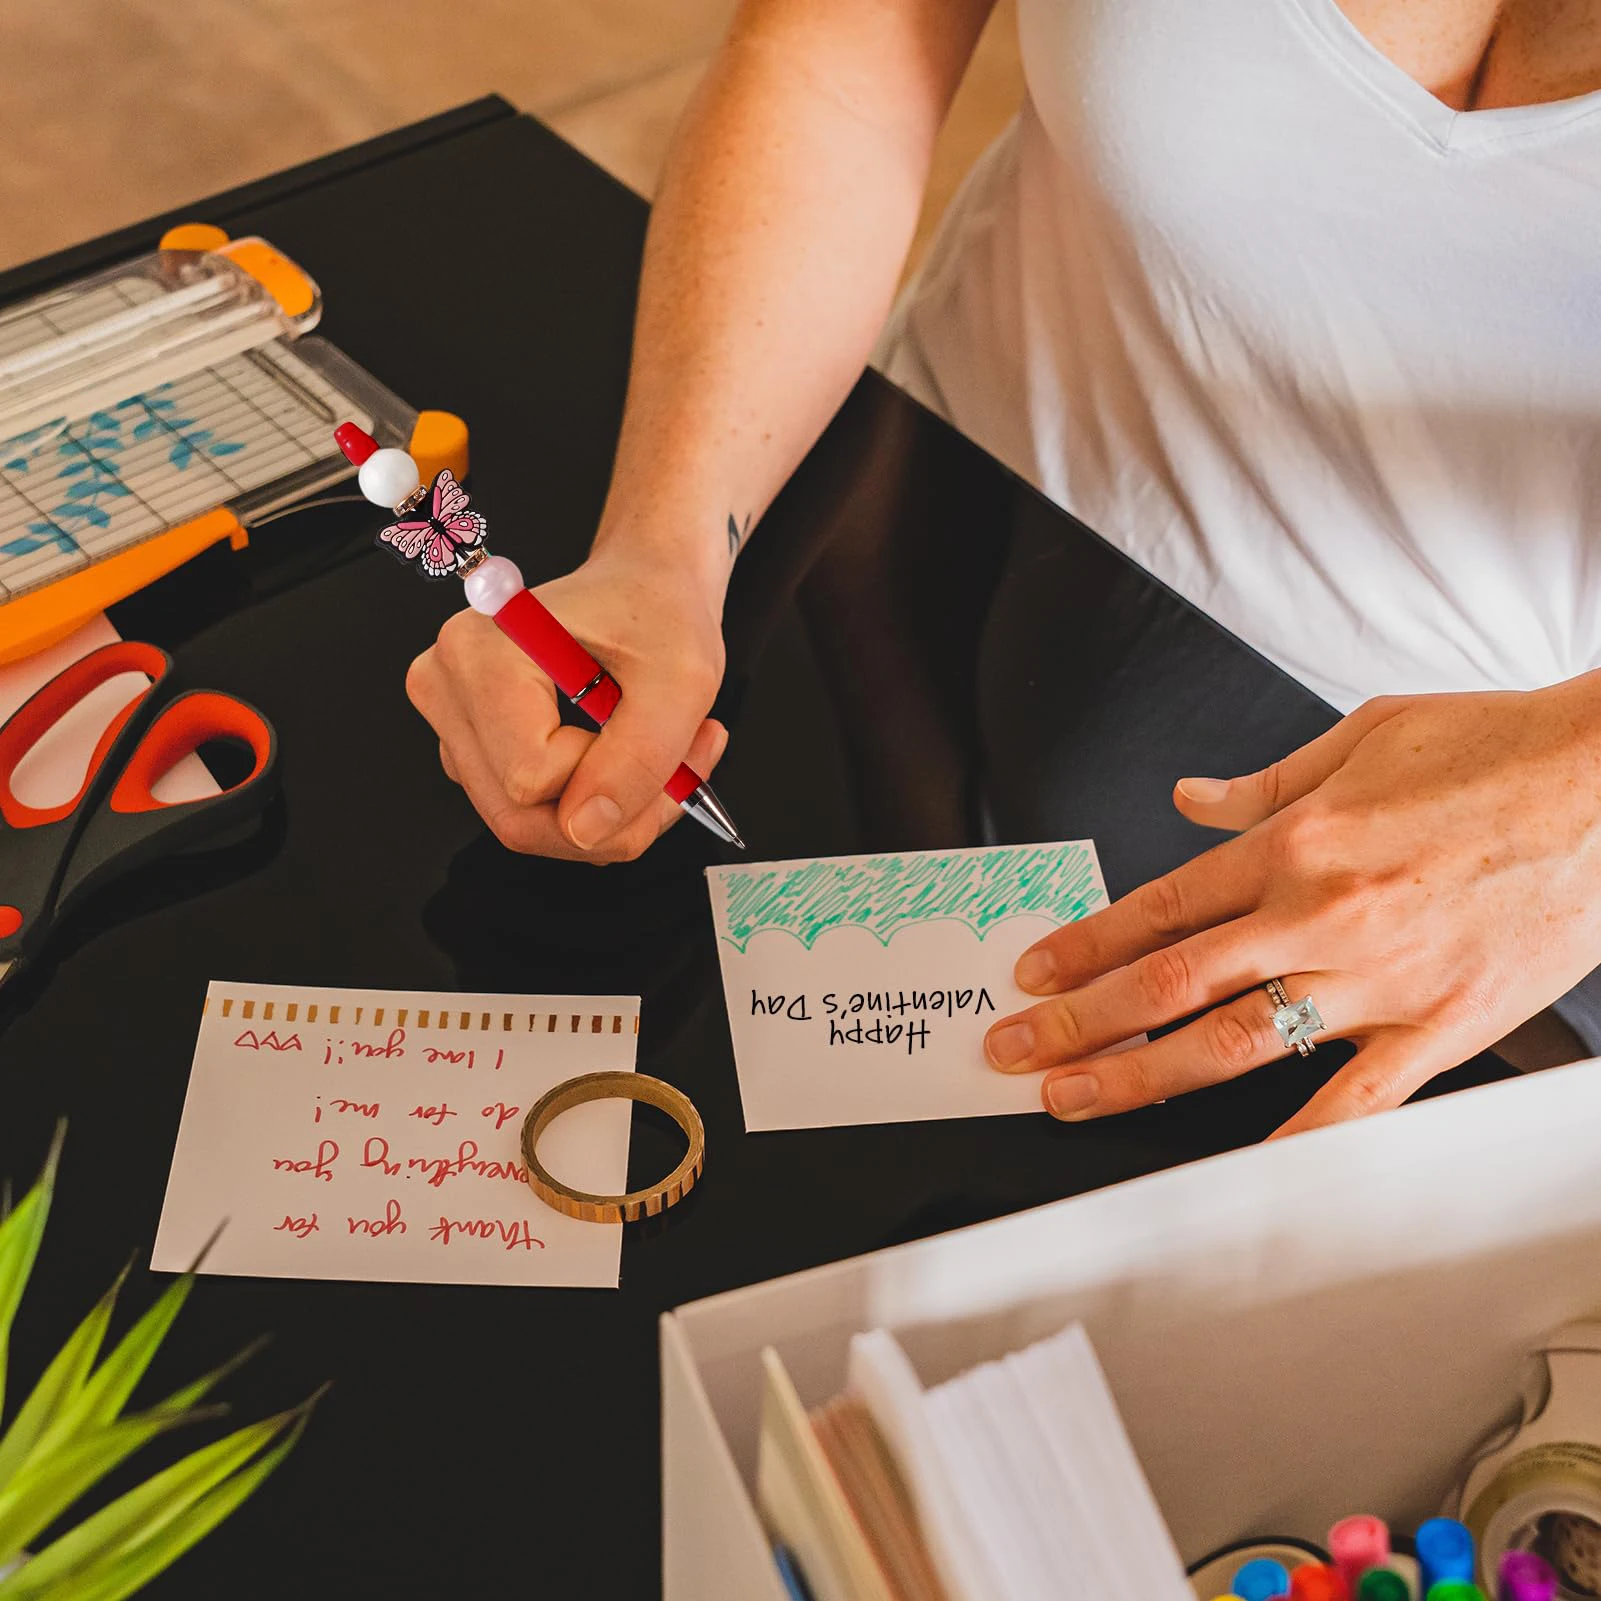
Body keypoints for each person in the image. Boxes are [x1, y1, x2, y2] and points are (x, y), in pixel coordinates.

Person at [405, 0, 1601, 1134]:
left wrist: (1578, 805)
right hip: (925, 554)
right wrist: (663, 544)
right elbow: (847, 47)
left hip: (1494, 830)